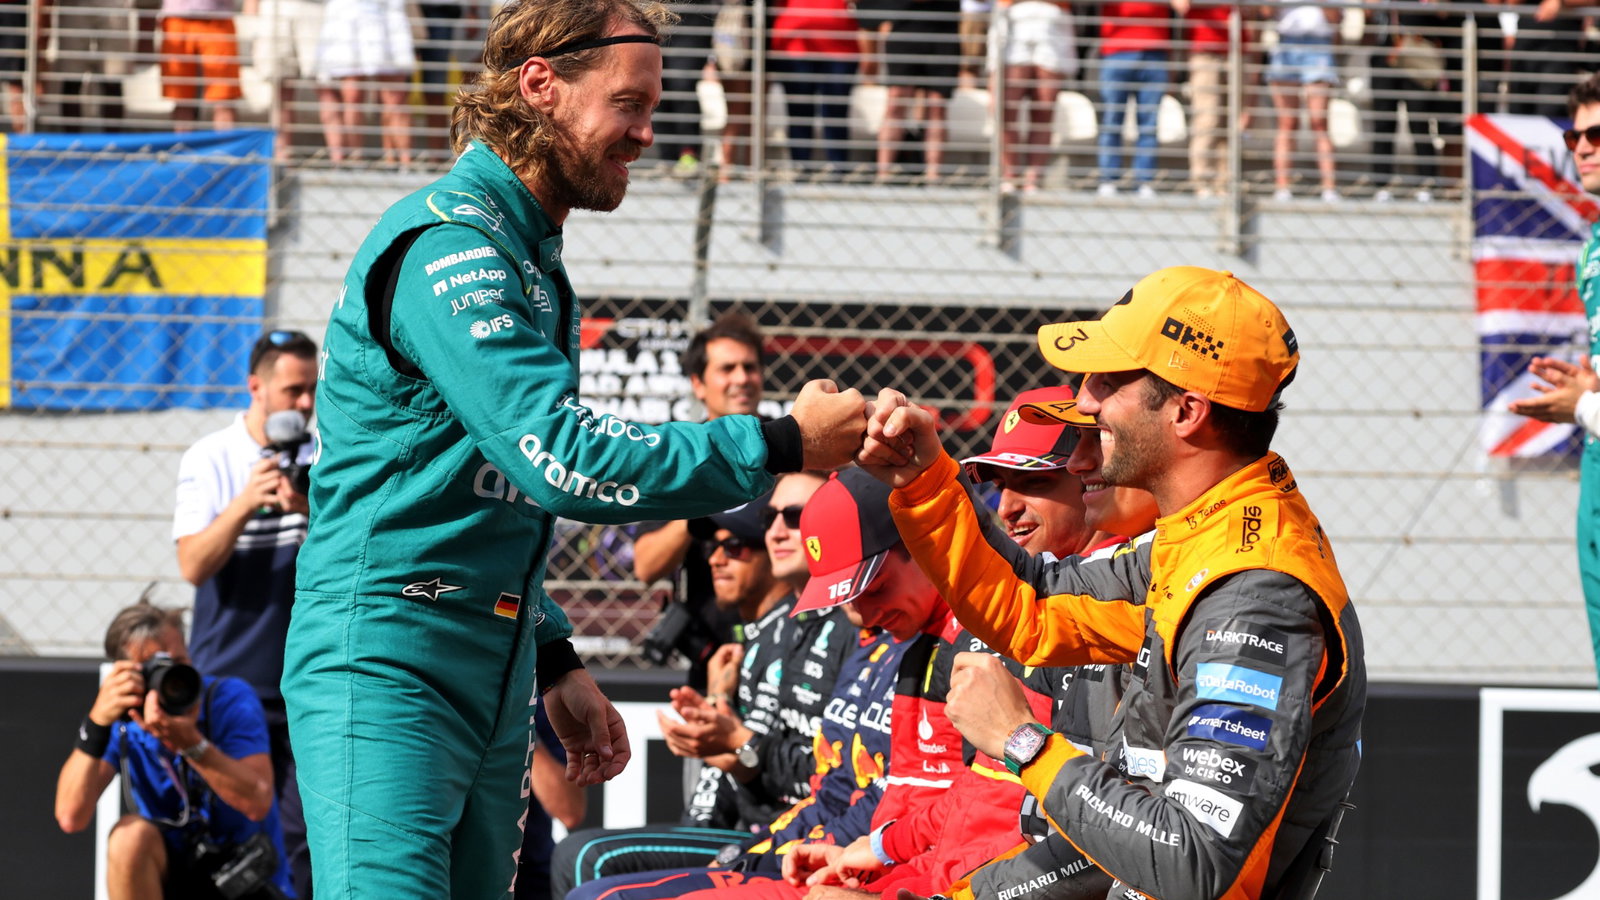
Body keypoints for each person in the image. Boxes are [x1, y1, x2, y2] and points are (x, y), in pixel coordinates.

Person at [283, 0, 868, 894]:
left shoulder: (526, 255)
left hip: (486, 654)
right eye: (629, 104)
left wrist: (551, 653)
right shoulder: (451, 246)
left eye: (654, 107)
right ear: (540, 85)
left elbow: (485, 497)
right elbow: (564, 457)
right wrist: (784, 439)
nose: (646, 132)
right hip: (390, 656)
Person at [859, 265, 1366, 899]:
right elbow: (1032, 607)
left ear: (1187, 411)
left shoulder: (1254, 594)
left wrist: (1022, 741)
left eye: (1109, 381)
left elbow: (1191, 860)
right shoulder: (1200, 538)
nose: (1086, 402)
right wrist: (925, 479)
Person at [563, 468, 964, 900]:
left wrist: (743, 749)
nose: (775, 532)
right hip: (799, 839)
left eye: (736, 544)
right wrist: (732, 740)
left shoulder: (885, 634)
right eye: (768, 519)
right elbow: (832, 782)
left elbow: (859, 789)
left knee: (590, 866)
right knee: (589, 869)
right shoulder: (782, 633)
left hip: (837, 850)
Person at [551, 473, 854, 896]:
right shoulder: (767, 635)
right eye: (768, 520)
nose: (716, 559)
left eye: (735, 546)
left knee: (588, 857)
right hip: (761, 828)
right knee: (584, 856)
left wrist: (737, 743)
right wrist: (723, 727)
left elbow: (837, 778)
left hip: (799, 835)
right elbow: (753, 766)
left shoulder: (849, 626)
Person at [174, 328, 316, 900]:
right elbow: (192, 565)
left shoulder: (326, 454)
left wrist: (311, 508)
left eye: (312, 390)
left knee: (306, 840)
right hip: (230, 681)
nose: (305, 403)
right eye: (293, 391)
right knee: (235, 841)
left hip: (309, 679)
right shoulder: (211, 456)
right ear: (256, 387)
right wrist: (244, 504)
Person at [55, 600, 293, 899]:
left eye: (178, 663)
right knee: (128, 838)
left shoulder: (228, 699)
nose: (170, 680)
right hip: (170, 877)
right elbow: (71, 816)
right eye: (153, 670)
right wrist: (96, 723)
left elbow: (257, 801)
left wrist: (192, 744)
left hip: (245, 879)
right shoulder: (123, 721)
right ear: (124, 674)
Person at [1509, 73, 1600, 681]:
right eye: (1574, 136)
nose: (1582, 147)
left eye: (1597, 134)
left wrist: (1584, 407)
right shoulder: (1591, 247)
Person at [633, 312, 767, 693]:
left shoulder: (790, 458)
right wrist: (698, 502)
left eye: (750, 367)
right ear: (698, 384)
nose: (742, 378)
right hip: (710, 661)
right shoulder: (677, 461)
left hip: (787, 653)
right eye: (727, 368)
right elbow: (646, 566)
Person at [989, 0, 1078, 193]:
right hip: (1010, 16)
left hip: (1052, 18)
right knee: (1004, 108)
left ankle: (1033, 179)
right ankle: (1010, 177)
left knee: (1043, 109)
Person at [315, 0, 416, 166]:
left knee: (395, 98)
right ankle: (355, 160)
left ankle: (405, 162)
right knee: (353, 95)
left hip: (389, 17)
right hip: (348, 15)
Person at [769, 0, 859, 172]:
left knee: (836, 111)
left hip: (840, 43)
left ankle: (838, 169)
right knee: (799, 111)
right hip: (794, 44)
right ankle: (800, 168)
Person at [1263, 0, 1339, 202]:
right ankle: (1282, 188)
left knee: (1319, 123)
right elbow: (1266, 11)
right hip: (1286, 44)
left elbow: (1335, 18)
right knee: (1287, 123)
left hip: (1319, 46)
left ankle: (1329, 189)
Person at [877, 0, 960, 182]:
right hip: (904, 33)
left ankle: (933, 176)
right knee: (895, 103)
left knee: (937, 106)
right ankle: (883, 175)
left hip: (943, 34)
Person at [1095, 0, 1171, 197]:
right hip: (1116, 52)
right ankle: (1108, 180)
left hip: (1155, 53)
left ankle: (1144, 182)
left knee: (1149, 123)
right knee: (1112, 119)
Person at [242, 0, 327, 158]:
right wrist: (251, 24)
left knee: (325, 85)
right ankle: (282, 156)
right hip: (275, 9)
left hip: (314, 8)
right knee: (280, 87)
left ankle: (340, 159)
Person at [1173, 0, 1239, 198]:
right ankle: (1202, 182)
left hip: (1237, 49)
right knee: (1208, 118)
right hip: (1205, 50)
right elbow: (1181, 4)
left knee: (1232, 123)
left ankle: (1225, 183)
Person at [156, 0, 241, 131]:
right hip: (176, 17)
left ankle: (226, 143)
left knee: (224, 98)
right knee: (181, 99)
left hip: (218, 19)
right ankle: (182, 143)